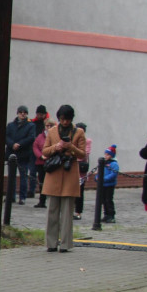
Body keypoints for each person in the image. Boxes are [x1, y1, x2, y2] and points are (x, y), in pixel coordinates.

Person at [41, 105, 86, 252]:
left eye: (67, 119)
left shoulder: (79, 132)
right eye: (62, 119)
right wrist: (57, 147)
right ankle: (51, 243)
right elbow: (45, 151)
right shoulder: (52, 131)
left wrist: (70, 147)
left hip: (70, 173)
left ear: (71, 119)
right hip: (54, 173)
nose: (64, 122)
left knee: (67, 213)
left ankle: (66, 244)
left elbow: (82, 154)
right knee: (52, 211)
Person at [5, 105, 36, 204]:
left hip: (23, 153)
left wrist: (19, 144)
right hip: (11, 153)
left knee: (23, 176)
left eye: (24, 112)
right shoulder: (10, 125)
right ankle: (11, 196)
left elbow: (31, 137)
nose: (23, 114)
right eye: (21, 112)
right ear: (17, 113)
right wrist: (12, 144)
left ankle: (22, 197)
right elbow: (6, 136)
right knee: (11, 177)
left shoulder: (31, 125)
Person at [32, 116, 56, 208]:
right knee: (41, 182)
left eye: (51, 125)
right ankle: (42, 201)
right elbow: (35, 147)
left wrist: (49, 155)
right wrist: (41, 156)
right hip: (41, 162)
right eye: (47, 126)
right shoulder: (40, 136)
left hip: (52, 163)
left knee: (51, 183)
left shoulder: (56, 136)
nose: (49, 127)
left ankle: (51, 201)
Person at [73, 122, 92, 220]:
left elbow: (85, 154)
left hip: (81, 170)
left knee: (80, 193)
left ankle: (78, 212)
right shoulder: (72, 140)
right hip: (72, 168)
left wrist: (74, 153)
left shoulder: (87, 141)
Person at [28, 105, 48, 196]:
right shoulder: (33, 123)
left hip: (44, 151)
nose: (39, 116)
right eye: (38, 114)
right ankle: (31, 190)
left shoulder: (49, 123)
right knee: (32, 171)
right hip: (34, 150)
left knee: (43, 173)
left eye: (41, 114)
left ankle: (44, 192)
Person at [99, 145, 119, 223]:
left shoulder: (114, 164)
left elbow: (113, 174)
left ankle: (111, 215)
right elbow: (100, 171)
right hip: (103, 185)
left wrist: (104, 179)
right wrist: (97, 177)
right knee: (103, 200)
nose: (106, 156)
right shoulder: (104, 163)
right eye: (105, 154)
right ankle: (106, 214)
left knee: (108, 200)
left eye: (107, 154)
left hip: (110, 185)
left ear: (111, 155)